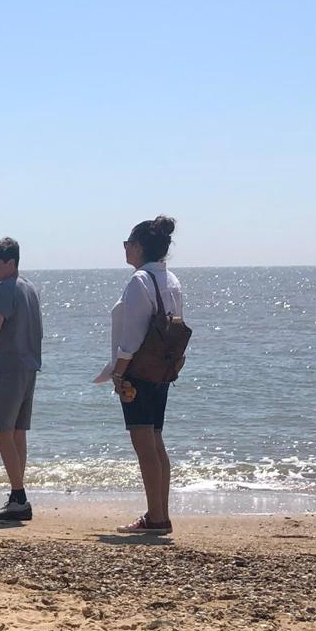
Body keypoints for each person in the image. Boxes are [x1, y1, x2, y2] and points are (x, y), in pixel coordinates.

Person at [96, 215, 184, 534]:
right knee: (156, 440)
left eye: (127, 244)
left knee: (143, 441)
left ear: (138, 246)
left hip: (139, 369)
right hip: (162, 368)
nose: (125, 250)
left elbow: (131, 337)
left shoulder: (140, 281)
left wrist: (119, 374)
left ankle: (156, 517)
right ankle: (159, 513)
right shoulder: (170, 279)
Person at [0, 238, 43, 523]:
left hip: (9, 368)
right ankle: (18, 494)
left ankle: (18, 496)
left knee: (2, 431)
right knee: (18, 432)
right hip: (28, 366)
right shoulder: (29, 287)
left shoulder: (5, 288)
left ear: (10, 263)